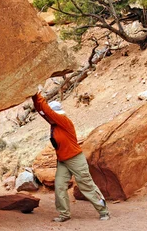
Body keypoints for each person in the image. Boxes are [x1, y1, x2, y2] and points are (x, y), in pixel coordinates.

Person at [32, 90, 110, 222]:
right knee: (60, 185)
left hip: (75, 159)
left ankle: (103, 211)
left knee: (86, 185)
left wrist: (37, 95)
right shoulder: (54, 124)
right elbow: (43, 112)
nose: (49, 116)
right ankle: (64, 214)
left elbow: (47, 111)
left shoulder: (63, 121)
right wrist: (34, 98)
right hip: (63, 161)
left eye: (51, 114)